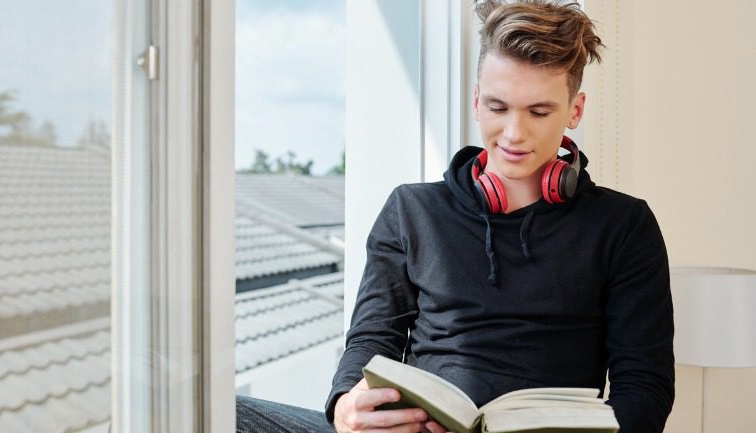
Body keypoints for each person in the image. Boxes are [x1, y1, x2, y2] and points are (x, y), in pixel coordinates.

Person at [237, 1, 675, 432]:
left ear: (574, 110)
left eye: (539, 112)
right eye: (498, 108)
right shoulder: (412, 210)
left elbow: (644, 388)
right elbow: (372, 341)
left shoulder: (623, 225)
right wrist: (348, 405)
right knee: (222, 410)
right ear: (476, 101)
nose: (514, 134)